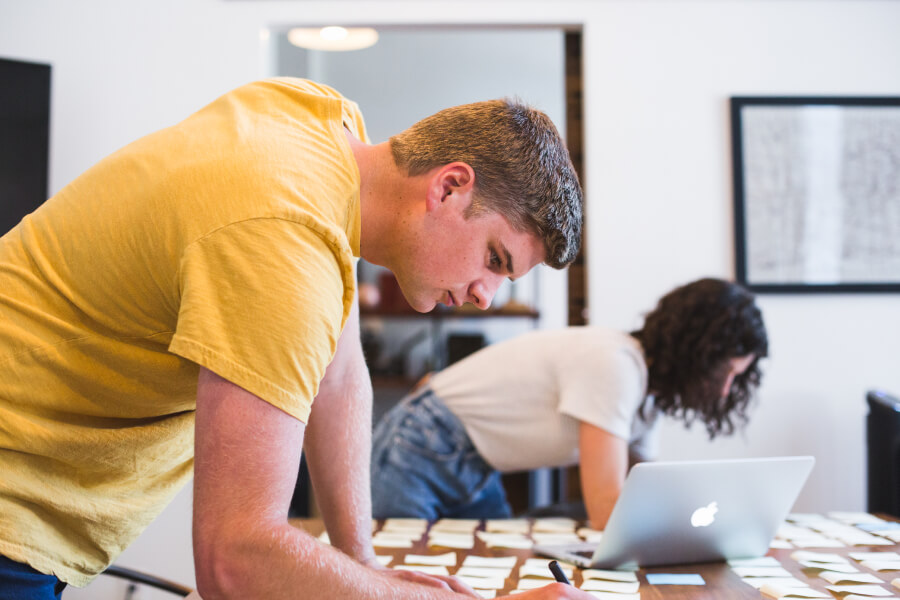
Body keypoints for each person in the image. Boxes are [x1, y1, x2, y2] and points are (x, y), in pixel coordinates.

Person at [0, 77, 589, 600]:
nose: (486, 294)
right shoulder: (283, 237)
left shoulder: (322, 123)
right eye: (494, 258)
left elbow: (339, 379)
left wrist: (365, 568)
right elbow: (236, 559)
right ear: (449, 187)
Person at [371, 278, 769, 528]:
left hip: (475, 462)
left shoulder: (646, 395)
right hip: (422, 443)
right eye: (725, 375)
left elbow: (646, 488)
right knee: (397, 572)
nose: (722, 391)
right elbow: (607, 510)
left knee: (477, 576)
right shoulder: (614, 365)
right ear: (695, 354)